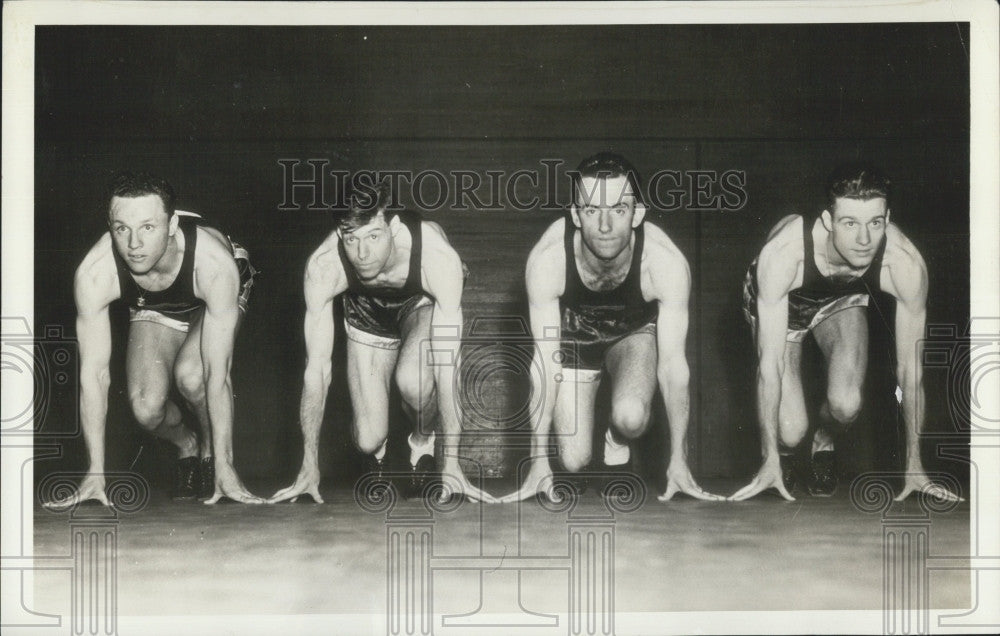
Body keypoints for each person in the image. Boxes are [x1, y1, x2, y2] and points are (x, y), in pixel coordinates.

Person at [732, 163, 962, 502]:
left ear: (887, 217)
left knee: (847, 404)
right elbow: (769, 366)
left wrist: (915, 466)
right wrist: (769, 458)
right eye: (850, 223)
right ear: (828, 221)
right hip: (784, 302)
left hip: (841, 297)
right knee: (791, 430)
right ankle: (785, 454)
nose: (864, 239)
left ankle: (824, 440)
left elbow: (911, 373)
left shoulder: (904, 264)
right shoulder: (784, 256)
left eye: (875, 223)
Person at [501, 152, 720, 504]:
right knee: (572, 460)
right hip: (573, 335)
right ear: (575, 214)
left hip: (632, 332)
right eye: (591, 211)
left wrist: (680, 459)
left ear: (639, 214)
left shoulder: (664, 264)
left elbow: (674, 368)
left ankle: (617, 442)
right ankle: (572, 454)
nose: (605, 225)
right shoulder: (548, 262)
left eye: (619, 209)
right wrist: (538, 461)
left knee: (631, 416)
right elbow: (544, 362)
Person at [45, 171, 262, 508]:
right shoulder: (94, 274)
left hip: (210, 291)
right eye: (122, 229)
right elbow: (94, 375)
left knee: (193, 376)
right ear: (110, 227)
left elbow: (217, 374)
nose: (134, 245)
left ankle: (211, 456)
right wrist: (95, 472)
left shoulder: (214, 265)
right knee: (146, 409)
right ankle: (187, 444)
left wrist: (226, 464)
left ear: (172, 225)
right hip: (154, 301)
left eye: (148, 227)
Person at [270, 180, 495, 504]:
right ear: (339, 234)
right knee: (366, 437)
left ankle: (422, 444)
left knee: (414, 381)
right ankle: (378, 454)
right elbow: (316, 370)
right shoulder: (323, 267)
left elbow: (448, 367)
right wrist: (308, 465)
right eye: (351, 239)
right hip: (365, 312)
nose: (362, 254)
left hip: (419, 303)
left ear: (393, 226)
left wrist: (453, 463)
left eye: (373, 237)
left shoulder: (436, 258)